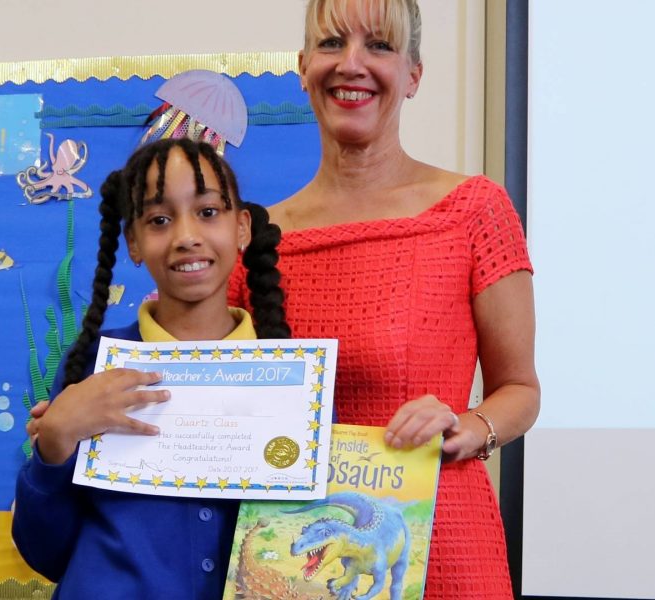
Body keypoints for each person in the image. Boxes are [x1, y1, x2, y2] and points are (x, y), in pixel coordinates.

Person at [226, 1, 540, 598]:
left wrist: (468, 427)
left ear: (413, 75)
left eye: (379, 46)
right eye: (331, 44)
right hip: (301, 562)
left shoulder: (475, 211)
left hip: (446, 544)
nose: (352, 64)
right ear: (302, 67)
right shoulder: (254, 238)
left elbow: (521, 389)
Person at [12, 137, 289, 599]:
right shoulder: (94, 366)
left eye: (207, 212)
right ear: (134, 243)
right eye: (159, 220)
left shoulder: (293, 379)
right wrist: (54, 443)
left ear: (242, 228)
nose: (186, 236)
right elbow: (46, 555)